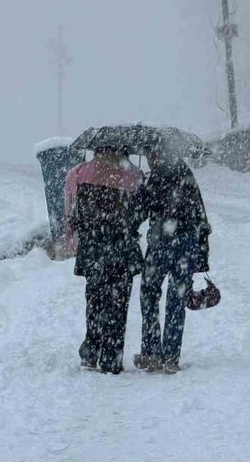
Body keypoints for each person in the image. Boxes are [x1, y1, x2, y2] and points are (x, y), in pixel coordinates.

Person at [131, 147, 211, 374]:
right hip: (186, 243)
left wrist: (130, 222)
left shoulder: (155, 176)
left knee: (149, 293)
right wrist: (202, 252)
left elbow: (139, 210)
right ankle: (170, 357)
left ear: (157, 153)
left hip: (161, 242)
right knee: (177, 298)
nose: (148, 160)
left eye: (149, 155)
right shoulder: (185, 172)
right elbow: (200, 214)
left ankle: (151, 351)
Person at [64, 146, 143, 374]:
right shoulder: (134, 176)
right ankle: (111, 358)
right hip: (122, 249)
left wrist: (80, 232)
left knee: (95, 301)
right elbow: (139, 214)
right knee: (118, 305)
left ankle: (90, 352)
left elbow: (71, 214)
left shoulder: (79, 174)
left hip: (93, 248)